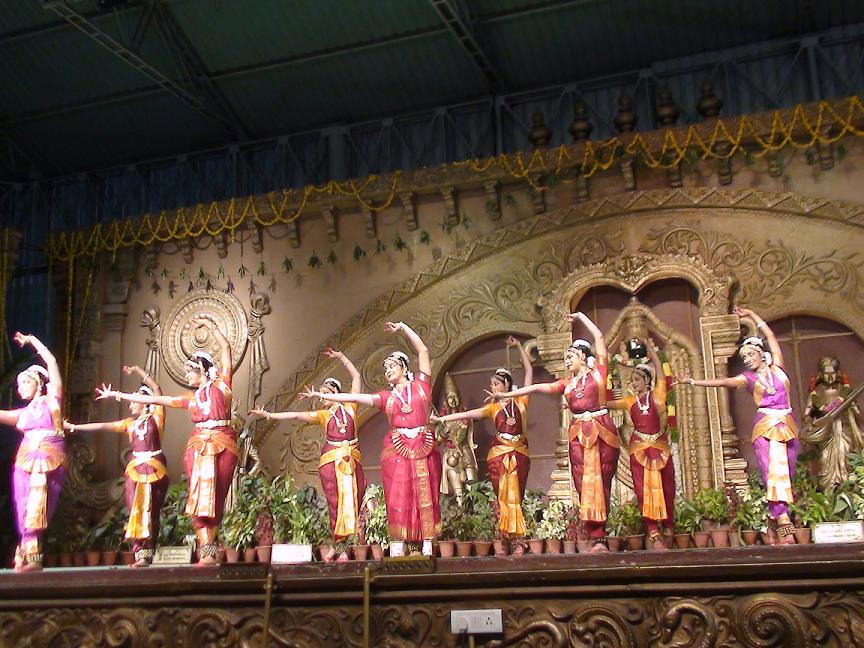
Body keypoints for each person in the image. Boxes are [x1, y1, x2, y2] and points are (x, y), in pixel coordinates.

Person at [97, 316, 238, 564]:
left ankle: (210, 545)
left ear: (202, 369)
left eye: (189, 371)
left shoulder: (223, 385)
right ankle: (206, 549)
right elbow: (157, 399)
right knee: (198, 498)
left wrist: (211, 327)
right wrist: (118, 394)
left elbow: (226, 349)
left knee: (216, 496)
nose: (186, 376)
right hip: (198, 448)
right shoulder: (190, 399)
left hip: (224, 443)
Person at [301, 321, 441, 556]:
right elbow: (357, 398)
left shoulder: (421, 386)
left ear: (404, 367)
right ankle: (404, 543)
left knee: (425, 493)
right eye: (385, 369)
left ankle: (426, 542)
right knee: (401, 495)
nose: (388, 370)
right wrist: (321, 395)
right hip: (398, 449)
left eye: (392, 366)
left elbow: (423, 350)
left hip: (423, 446)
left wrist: (403, 327)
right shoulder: (386, 397)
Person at [490, 312, 619, 553]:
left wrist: (581, 317)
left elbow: (599, 337)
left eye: (570, 356)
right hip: (578, 434)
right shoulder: (566, 384)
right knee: (582, 483)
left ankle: (601, 535)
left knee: (601, 481)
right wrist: (507, 394)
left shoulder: (599, 373)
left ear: (583, 356)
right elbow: (537, 387)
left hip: (602, 432)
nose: (566, 361)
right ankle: (595, 537)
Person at [677, 307, 799, 545]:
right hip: (765, 427)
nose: (748, 360)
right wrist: (692, 381)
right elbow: (723, 381)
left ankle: (774, 519)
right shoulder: (748, 379)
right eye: (745, 358)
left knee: (788, 472)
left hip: (787, 425)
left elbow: (771, 336)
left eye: (751, 355)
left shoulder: (778, 368)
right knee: (772, 472)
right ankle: (783, 521)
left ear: (761, 354)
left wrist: (753, 316)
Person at [250, 348, 365, 563]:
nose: (322, 398)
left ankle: (348, 546)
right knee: (335, 503)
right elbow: (295, 414)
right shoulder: (323, 415)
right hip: (331, 462)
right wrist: (269, 414)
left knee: (352, 503)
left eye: (325, 393)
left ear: (335, 392)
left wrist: (341, 357)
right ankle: (339, 547)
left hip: (351, 460)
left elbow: (356, 377)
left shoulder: (351, 407)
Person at [431, 336, 534, 553]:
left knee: (516, 496)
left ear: (507, 384)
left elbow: (529, 372)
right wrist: (442, 419)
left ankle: (518, 539)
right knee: (503, 496)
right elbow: (467, 414)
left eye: (496, 384)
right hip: (499, 455)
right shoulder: (492, 408)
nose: (493, 387)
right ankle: (506, 539)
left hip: (519, 453)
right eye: (492, 384)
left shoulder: (521, 401)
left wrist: (519, 347)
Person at [67, 365, 169, 567]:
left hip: (154, 470)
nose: (130, 405)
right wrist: (74, 427)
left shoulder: (157, 417)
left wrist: (138, 371)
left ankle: (148, 552)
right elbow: (103, 426)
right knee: (135, 511)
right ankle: (139, 553)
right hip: (135, 471)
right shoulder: (129, 424)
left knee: (150, 511)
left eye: (133, 401)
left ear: (145, 402)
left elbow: (157, 389)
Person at [0, 333, 64, 572]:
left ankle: (32, 556)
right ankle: (28, 554)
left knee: (39, 504)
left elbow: (52, 362)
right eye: (18, 385)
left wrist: (32, 341)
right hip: (24, 461)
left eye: (25, 383)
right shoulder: (23, 414)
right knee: (23, 504)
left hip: (48, 459)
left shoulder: (53, 400)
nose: (20, 389)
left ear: (38, 383)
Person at [606, 339, 673, 550]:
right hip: (638, 449)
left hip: (660, 449)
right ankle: (653, 532)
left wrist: (653, 353)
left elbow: (661, 375)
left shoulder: (658, 396)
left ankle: (669, 527)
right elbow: (605, 403)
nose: (633, 383)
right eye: (632, 380)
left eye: (636, 379)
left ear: (647, 380)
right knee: (644, 490)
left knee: (666, 487)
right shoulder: (629, 401)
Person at [800, 356, 863, 490]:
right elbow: (806, 414)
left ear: (837, 373)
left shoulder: (844, 391)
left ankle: (848, 489)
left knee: (845, 457)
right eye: (826, 373)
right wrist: (809, 423)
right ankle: (829, 490)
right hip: (826, 433)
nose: (830, 377)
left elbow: (856, 411)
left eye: (833, 373)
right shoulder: (816, 393)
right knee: (825, 459)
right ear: (821, 375)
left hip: (844, 430)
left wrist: (858, 414)